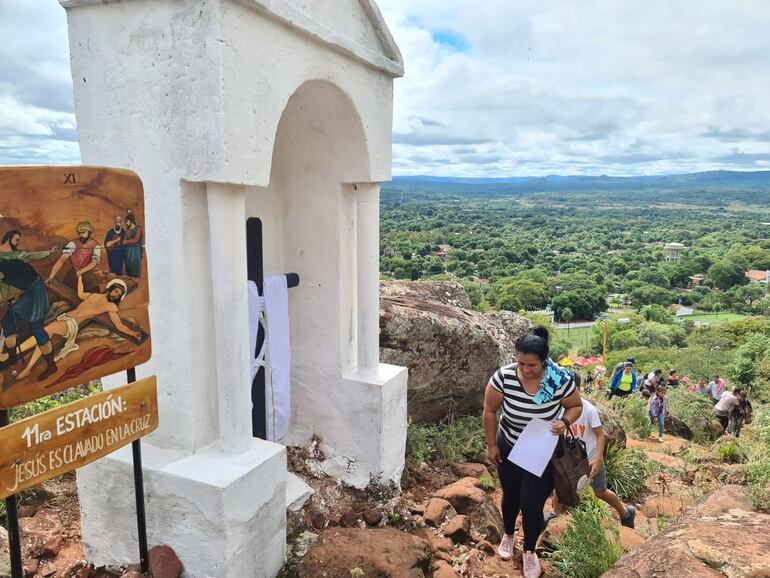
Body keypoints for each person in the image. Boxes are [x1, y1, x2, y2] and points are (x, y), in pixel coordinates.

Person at [484, 326, 582, 578]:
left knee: (532, 503)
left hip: (542, 450)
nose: (526, 370)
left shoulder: (559, 380)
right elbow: (490, 410)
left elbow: (575, 406)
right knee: (511, 496)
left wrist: (565, 422)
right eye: (521, 363)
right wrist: (492, 445)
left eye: (532, 365)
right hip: (509, 443)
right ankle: (508, 535)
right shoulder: (503, 377)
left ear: (544, 362)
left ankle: (529, 550)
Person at [11, 273, 144, 382]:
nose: (116, 295)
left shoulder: (111, 306)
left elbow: (119, 325)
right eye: (116, 291)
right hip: (65, 318)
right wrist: (79, 276)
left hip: (72, 325)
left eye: (118, 295)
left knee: (45, 331)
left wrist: (134, 334)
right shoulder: (94, 295)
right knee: (44, 339)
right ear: (111, 288)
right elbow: (80, 294)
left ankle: (15, 352)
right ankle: (28, 368)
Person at [550, 374, 636, 527]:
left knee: (600, 491)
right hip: (570, 460)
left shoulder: (588, 410)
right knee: (559, 489)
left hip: (590, 459)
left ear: (577, 389)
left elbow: (600, 435)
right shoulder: (559, 408)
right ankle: (555, 520)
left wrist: (598, 460)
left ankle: (625, 512)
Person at [0, 231, 58, 379]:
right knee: (7, 323)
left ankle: (51, 365)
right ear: (8, 238)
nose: (18, 242)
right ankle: (12, 357)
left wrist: (47, 253)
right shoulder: (4, 254)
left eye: (19, 239)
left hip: (33, 291)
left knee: (37, 328)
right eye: (16, 239)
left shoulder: (16, 254)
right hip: (18, 292)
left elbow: (31, 255)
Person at [47, 220, 102, 293]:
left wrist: (81, 272)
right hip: (73, 274)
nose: (81, 235)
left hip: (87, 275)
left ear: (89, 232)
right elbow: (62, 260)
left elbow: (94, 263)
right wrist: (51, 277)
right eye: (79, 233)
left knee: (94, 297)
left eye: (83, 232)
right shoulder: (73, 243)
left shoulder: (95, 245)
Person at [123, 211, 143, 278]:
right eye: (125, 221)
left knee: (135, 266)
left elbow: (135, 240)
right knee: (128, 267)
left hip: (135, 250)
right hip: (128, 250)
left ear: (131, 221)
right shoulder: (127, 230)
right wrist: (129, 241)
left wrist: (128, 241)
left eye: (127, 221)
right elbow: (124, 241)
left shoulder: (138, 228)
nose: (126, 223)